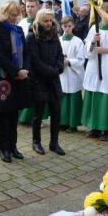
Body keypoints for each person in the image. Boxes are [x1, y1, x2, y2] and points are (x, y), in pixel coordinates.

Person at [0, 0, 31, 163]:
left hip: (19, 78)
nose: (15, 18)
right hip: (3, 78)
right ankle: (3, 148)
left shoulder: (18, 30)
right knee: (4, 114)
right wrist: (16, 71)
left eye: (17, 15)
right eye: (12, 15)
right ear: (4, 13)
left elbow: (26, 53)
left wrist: (25, 69)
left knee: (14, 114)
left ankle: (13, 147)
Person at [27, 9, 66, 156]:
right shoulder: (32, 37)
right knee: (38, 113)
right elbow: (35, 60)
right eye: (45, 21)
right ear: (39, 21)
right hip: (39, 80)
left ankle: (54, 143)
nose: (49, 23)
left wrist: (59, 67)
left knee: (56, 112)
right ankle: (36, 142)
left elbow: (60, 55)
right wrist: (52, 71)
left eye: (50, 20)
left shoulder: (54, 35)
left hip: (53, 80)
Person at [81, 9, 108, 141]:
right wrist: (93, 41)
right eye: (106, 11)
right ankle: (94, 127)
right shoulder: (94, 28)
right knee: (94, 95)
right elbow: (86, 50)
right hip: (95, 67)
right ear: (100, 13)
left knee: (107, 98)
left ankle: (107, 130)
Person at [18, 0, 46, 125]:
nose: (29, 9)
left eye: (32, 6)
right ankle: (23, 117)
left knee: (38, 90)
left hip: (38, 60)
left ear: (38, 7)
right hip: (24, 60)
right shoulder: (22, 23)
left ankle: (36, 118)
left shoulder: (43, 22)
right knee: (25, 88)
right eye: (27, 6)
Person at [59, 16, 85, 133]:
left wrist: (69, 61)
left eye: (69, 26)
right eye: (65, 26)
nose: (67, 28)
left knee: (73, 99)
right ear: (61, 26)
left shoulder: (78, 41)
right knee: (63, 98)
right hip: (62, 73)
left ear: (73, 26)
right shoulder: (58, 40)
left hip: (73, 73)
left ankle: (73, 124)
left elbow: (81, 59)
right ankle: (63, 122)